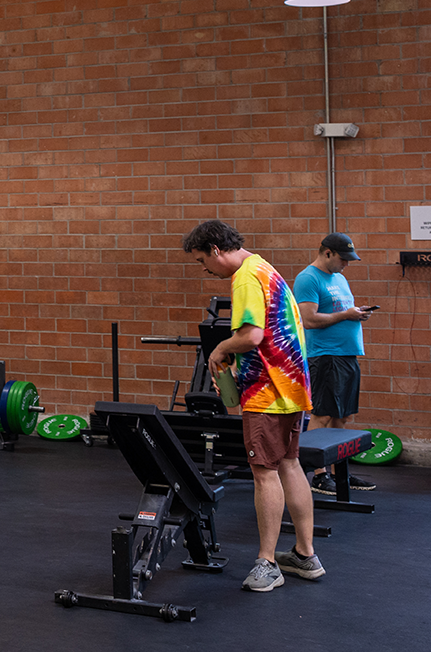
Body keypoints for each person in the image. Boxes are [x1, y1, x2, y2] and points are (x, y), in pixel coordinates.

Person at [182, 220, 321, 592]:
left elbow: (251, 335)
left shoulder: (244, 276)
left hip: (268, 393)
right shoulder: (264, 267)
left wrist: (220, 348)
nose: (205, 270)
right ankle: (305, 555)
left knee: (264, 472)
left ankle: (268, 563)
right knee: (289, 464)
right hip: (291, 388)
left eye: (202, 261)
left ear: (214, 250)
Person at [293, 233, 377, 494]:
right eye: (343, 259)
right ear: (327, 253)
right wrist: (346, 315)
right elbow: (309, 320)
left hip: (347, 354)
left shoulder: (339, 278)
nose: (346, 265)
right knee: (322, 414)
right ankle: (319, 476)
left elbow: (339, 311)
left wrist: (355, 314)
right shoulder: (308, 278)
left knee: (342, 416)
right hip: (325, 355)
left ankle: (340, 473)